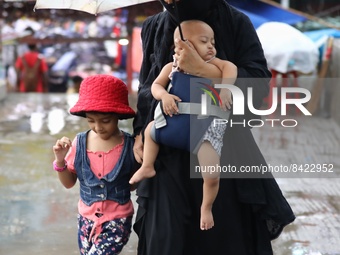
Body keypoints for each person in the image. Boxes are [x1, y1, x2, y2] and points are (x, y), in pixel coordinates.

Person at [132, 0, 295, 255]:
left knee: (224, 240)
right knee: (166, 241)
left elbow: (259, 82)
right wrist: (141, 131)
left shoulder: (235, 21)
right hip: (167, 153)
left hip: (222, 148)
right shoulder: (153, 26)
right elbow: (147, 84)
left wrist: (204, 70)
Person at [129, 20, 235, 231]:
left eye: (213, 41)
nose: (212, 46)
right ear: (181, 46)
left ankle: (206, 207)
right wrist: (165, 96)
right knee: (150, 131)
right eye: (204, 41)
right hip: (173, 125)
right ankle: (147, 166)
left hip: (204, 132)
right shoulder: (172, 67)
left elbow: (231, 68)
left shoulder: (216, 65)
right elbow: (156, 86)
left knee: (212, 174)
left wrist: (225, 89)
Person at [52, 74, 137, 255]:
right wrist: (60, 160)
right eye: (91, 120)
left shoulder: (130, 145)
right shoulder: (79, 143)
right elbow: (69, 183)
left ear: (118, 116)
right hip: (86, 219)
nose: (98, 127)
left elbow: (133, 185)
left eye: (105, 120)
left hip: (118, 220)